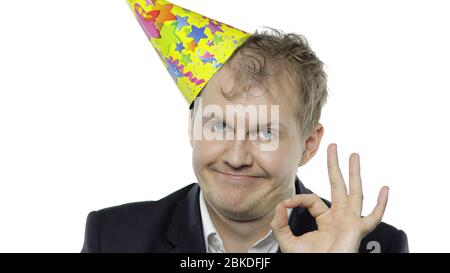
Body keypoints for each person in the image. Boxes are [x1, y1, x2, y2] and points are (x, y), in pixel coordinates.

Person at [81, 0, 408, 253]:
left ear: (309, 144)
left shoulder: (376, 246)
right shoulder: (113, 237)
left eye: (266, 132)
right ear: (192, 125)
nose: (236, 156)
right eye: (219, 126)